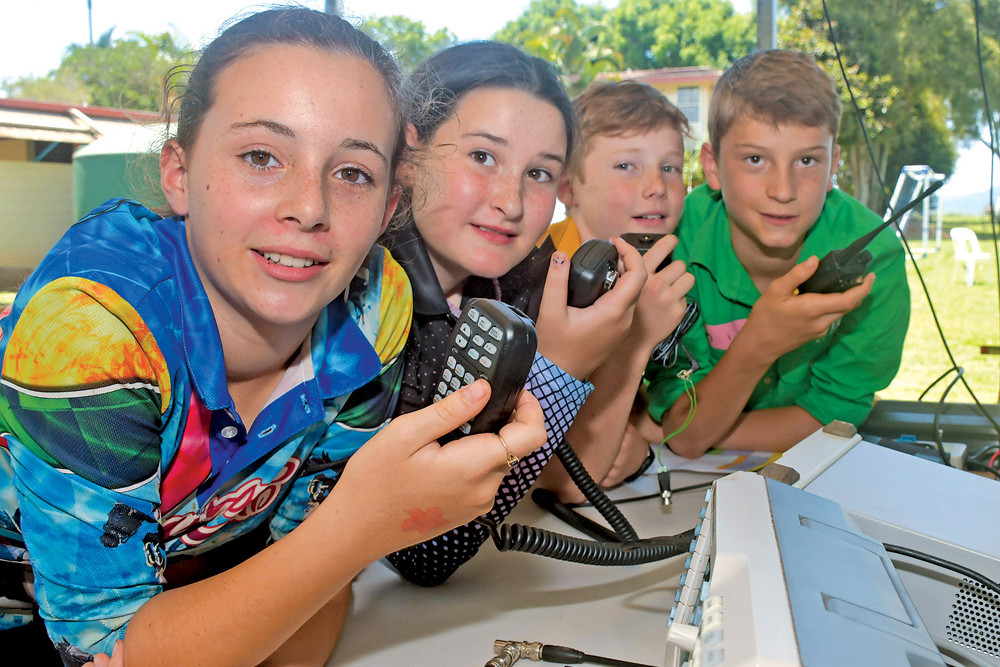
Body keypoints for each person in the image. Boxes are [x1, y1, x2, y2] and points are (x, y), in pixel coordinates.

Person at [0, 9, 546, 666]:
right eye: (261, 157)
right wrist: (357, 526)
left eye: (352, 173)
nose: (309, 207)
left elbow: (307, 582)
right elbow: (106, 649)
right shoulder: (92, 333)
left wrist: (327, 549)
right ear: (178, 173)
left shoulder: (376, 312)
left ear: (389, 209)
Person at [381, 42, 649, 585]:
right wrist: (558, 370)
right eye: (483, 157)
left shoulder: (521, 283)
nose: (512, 201)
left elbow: (572, 472)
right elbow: (425, 552)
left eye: (540, 173)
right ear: (409, 157)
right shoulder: (362, 297)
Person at [641, 49, 909, 457]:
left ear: (833, 164)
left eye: (806, 160)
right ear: (711, 166)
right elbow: (680, 415)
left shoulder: (878, 258)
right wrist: (759, 343)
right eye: (755, 159)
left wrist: (677, 431)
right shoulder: (674, 245)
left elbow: (834, 417)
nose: (783, 190)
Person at [535, 80, 696, 501]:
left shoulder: (645, 272)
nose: (657, 186)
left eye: (670, 167)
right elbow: (567, 480)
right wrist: (640, 336)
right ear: (567, 187)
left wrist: (639, 442)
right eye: (627, 166)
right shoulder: (543, 275)